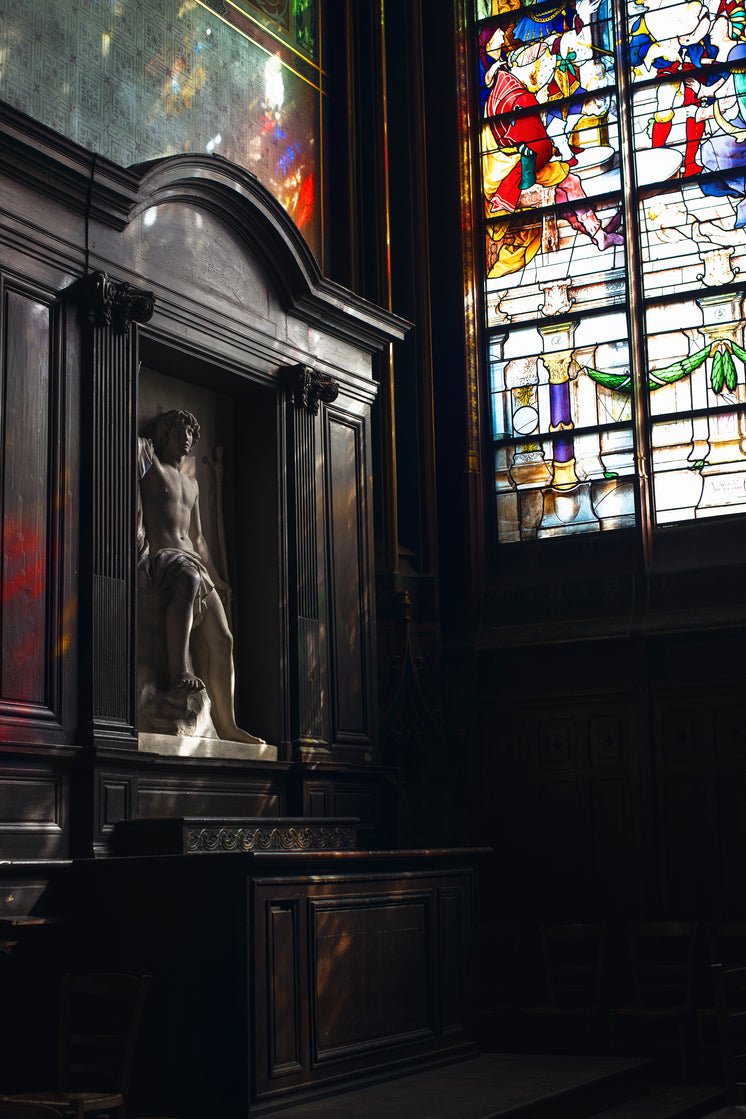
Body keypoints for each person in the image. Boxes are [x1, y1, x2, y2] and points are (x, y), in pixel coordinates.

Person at [138, 408, 264, 745]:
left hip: (193, 561)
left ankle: (228, 724)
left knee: (224, 638)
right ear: (165, 435)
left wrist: (218, 578)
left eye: (192, 433)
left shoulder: (192, 484)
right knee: (190, 580)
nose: (188, 438)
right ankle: (181, 671)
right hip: (163, 557)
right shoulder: (151, 466)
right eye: (180, 431)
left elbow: (198, 538)